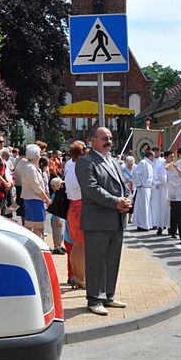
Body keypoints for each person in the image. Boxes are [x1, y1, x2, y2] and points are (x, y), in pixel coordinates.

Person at [75, 127, 132, 316]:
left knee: (112, 260)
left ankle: (108, 295)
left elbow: (124, 185)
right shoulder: (85, 161)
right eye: (104, 138)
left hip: (117, 219)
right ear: (92, 140)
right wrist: (116, 202)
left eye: (110, 137)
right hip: (97, 221)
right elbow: (91, 188)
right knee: (96, 261)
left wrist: (128, 199)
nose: (109, 141)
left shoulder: (113, 160)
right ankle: (94, 299)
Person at [64, 141, 87, 288]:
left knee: (76, 245)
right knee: (82, 246)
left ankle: (76, 276)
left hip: (72, 206)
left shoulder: (69, 165)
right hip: (80, 206)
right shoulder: (80, 167)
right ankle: (81, 278)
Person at [17, 144, 51, 239]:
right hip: (34, 200)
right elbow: (36, 186)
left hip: (33, 200)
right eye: (39, 154)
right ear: (36, 156)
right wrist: (47, 199)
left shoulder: (31, 166)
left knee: (31, 226)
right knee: (38, 228)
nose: (40, 156)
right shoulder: (30, 168)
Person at [132, 150, 155, 231]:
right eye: (153, 155)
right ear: (150, 156)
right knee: (143, 208)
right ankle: (142, 225)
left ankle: (146, 225)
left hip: (148, 188)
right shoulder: (143, 163)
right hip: (143, 188)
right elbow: (135, 173)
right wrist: (139, 184)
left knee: (147, 208)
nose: (154, 157)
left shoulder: (149, 164)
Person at [150, 147, 170, 235]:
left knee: (169, 209)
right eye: (155, 151)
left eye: (158, 151)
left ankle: (170, 227)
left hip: (170, 189)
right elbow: (151, 174)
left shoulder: (164, 162)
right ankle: (157, 224)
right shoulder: (151, 162)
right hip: (158, 187)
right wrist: (155, 183)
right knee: (159, 207)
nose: (156, 153)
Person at [48, 176, 68, 254]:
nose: (62, 186)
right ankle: (56, 247)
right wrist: (58, 218)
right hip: (56, 218)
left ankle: (59, 245)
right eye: (60, 185)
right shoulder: (55, 195)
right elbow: (57, 208)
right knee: (57, 233)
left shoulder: (58, 194)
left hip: (60, 218)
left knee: (60, 233)